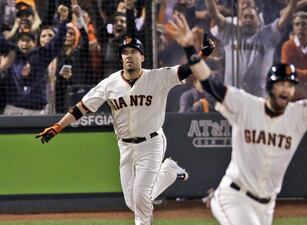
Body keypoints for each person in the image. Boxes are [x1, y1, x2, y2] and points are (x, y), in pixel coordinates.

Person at [167, 14, 307, 225]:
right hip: (235, 196)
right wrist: (189, 51)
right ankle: (218, 199)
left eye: (290, 84)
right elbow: (210, 83)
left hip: (267, 206)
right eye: (281, 83)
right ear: (269, 86)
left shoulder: (299, 114)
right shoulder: (246, 105)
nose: (286, 88)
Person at [35, 32, 215, 224]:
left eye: (133, 51)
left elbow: (186, 70)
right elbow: (81, 107)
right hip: (125, 147)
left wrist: (202, 55)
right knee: (133, 201)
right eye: (125, 52)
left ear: (142, 57)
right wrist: (57, 126)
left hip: (151, 142)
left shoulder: (158, 77)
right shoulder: (110, 83)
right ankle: (170, 171)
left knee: (140, 197)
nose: (129, 55)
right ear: (121, 58)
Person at [205, 0, 297, 97]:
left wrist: (294, 2)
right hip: (232, 96)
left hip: (258, 97)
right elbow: (214, 13)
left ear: (258, 19)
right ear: (240, 19)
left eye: (251, 17)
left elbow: (286, 18)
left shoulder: (268, 34)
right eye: (245, 17)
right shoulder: (230, 32)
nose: (248, 19)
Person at [0, 4, 68, 116]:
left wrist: (63, 20)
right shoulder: (12, 54)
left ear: (34, 42)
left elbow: (58, 41)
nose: (24, 44)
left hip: (36, 111)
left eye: (28, 40)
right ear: (17, 42)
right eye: (21, 40)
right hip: (12, 109)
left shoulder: (42, 55)